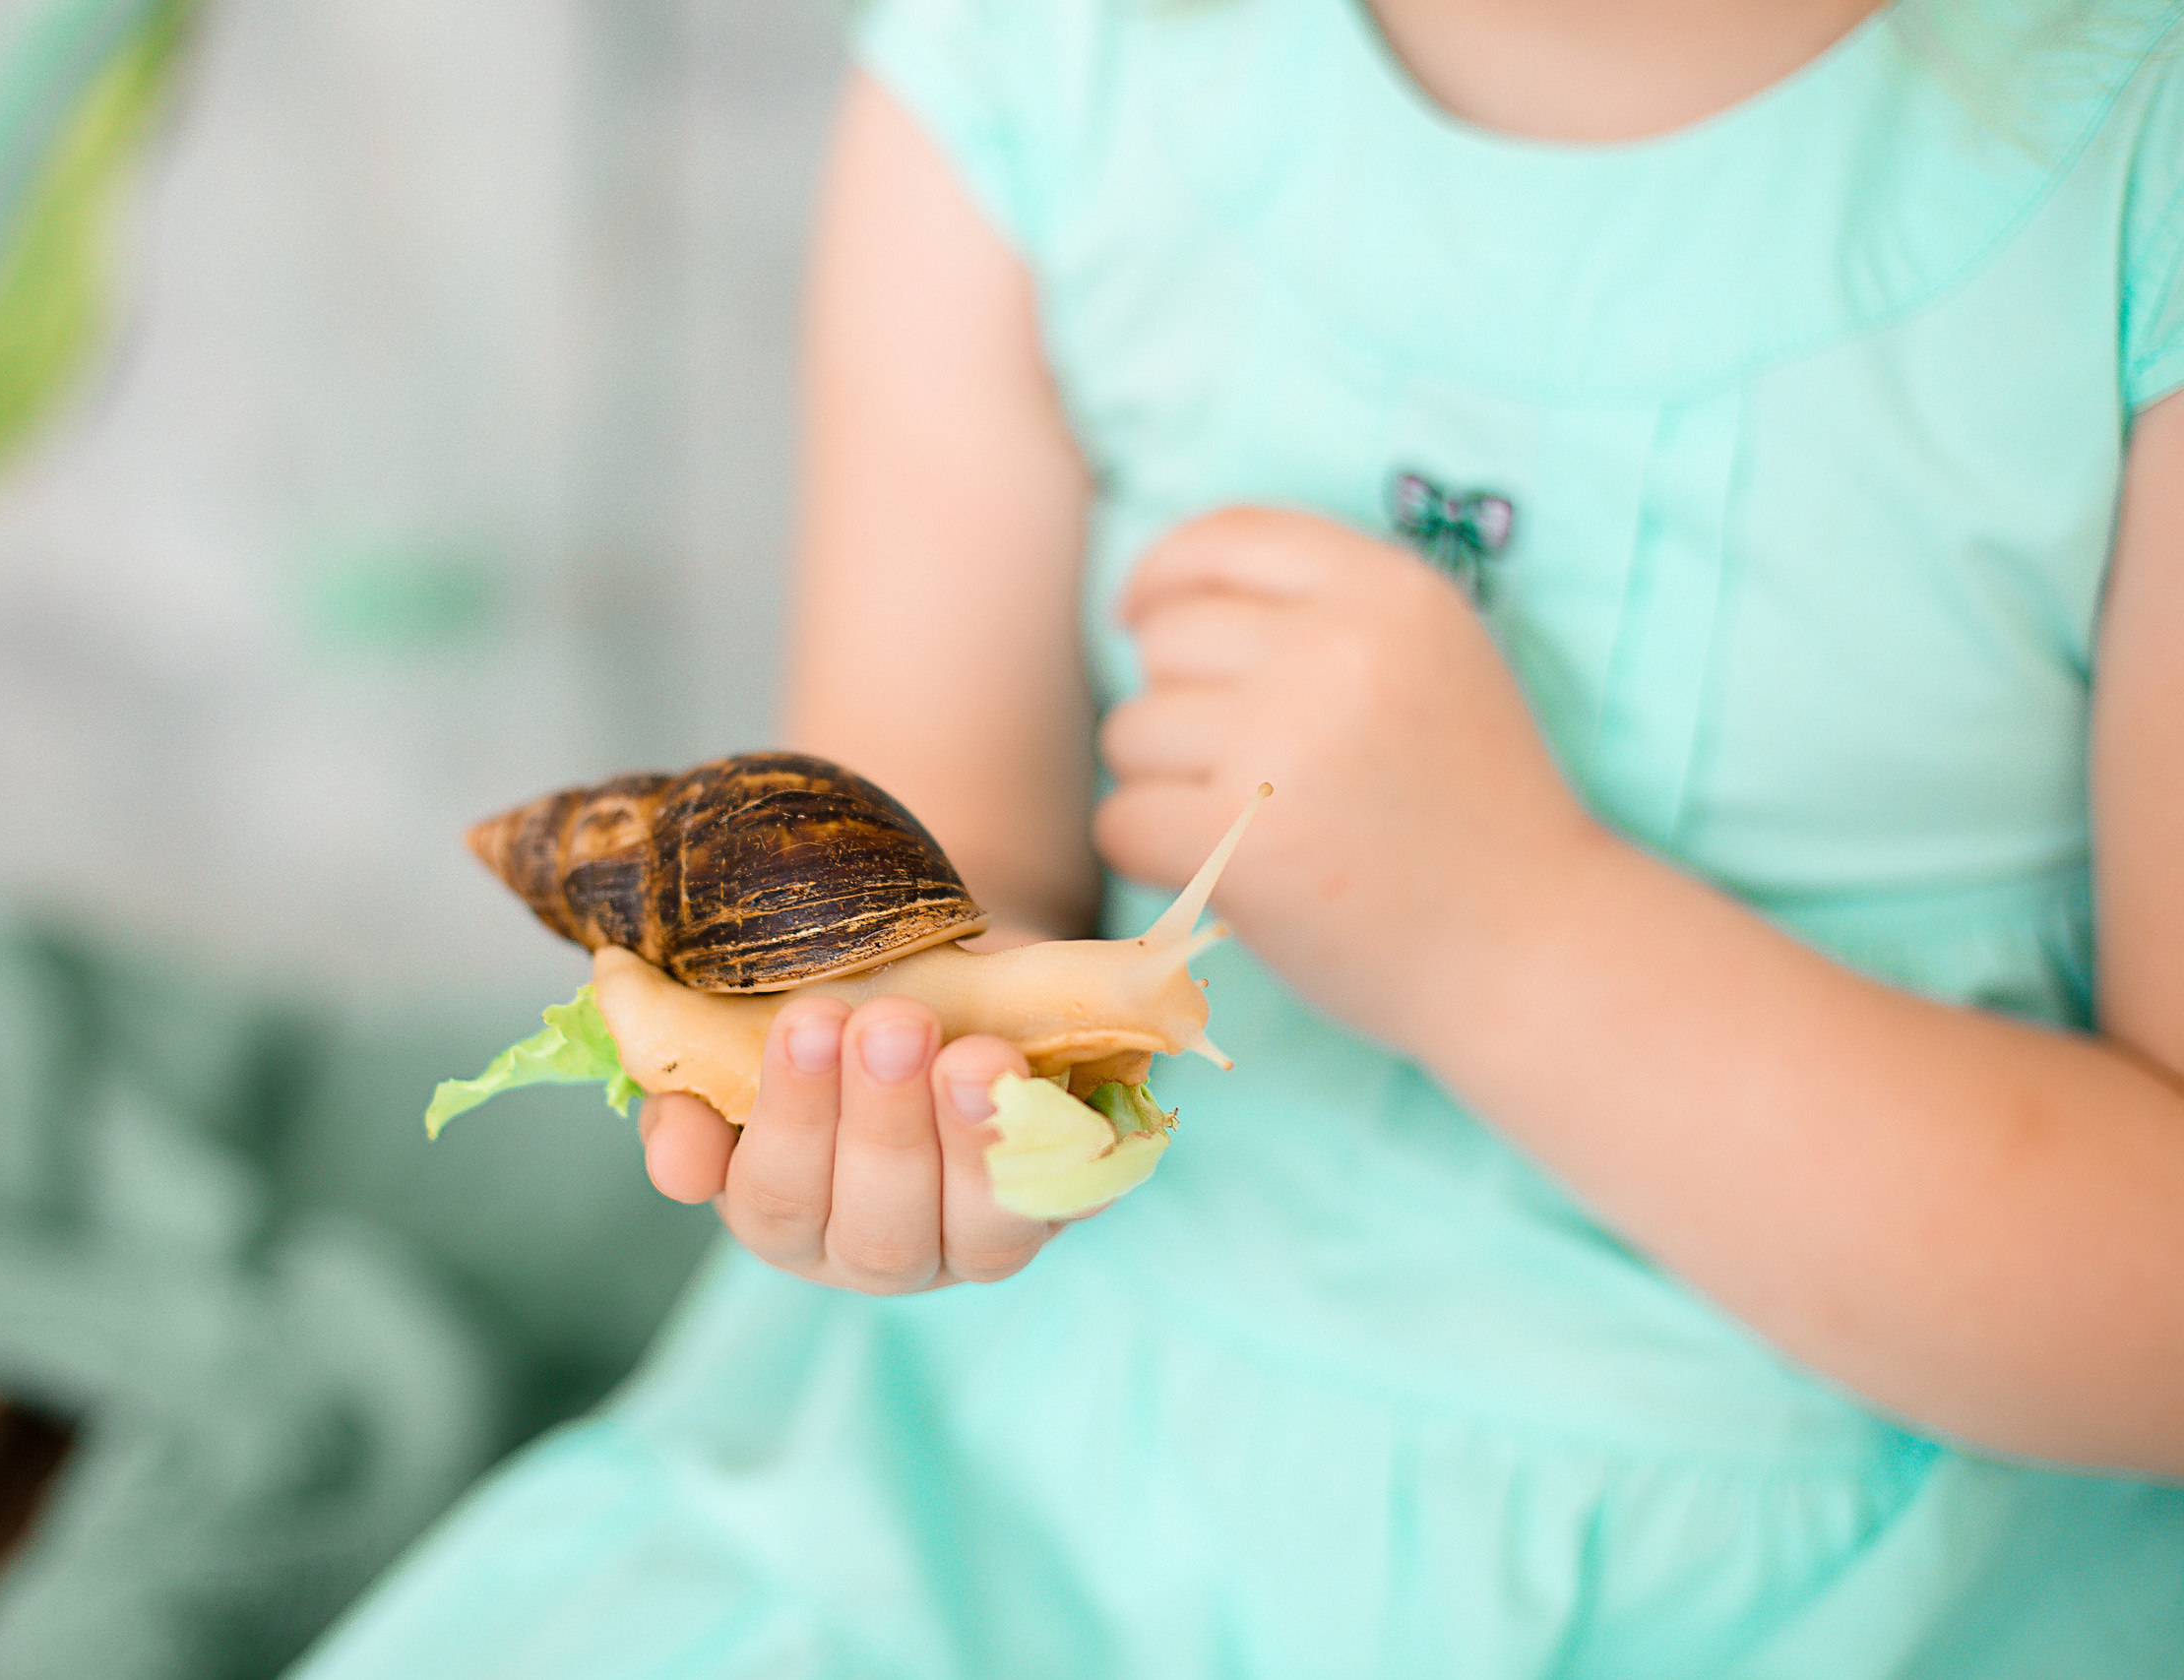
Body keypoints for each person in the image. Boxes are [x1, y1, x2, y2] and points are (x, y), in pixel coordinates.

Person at [292, 0, 2184, 1671]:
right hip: (1020, 1481)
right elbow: (950, 891)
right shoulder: (1037, 68)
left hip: (1862, 1567)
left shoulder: (2135, 159)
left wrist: (1515, 942)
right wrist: (886, 1110)